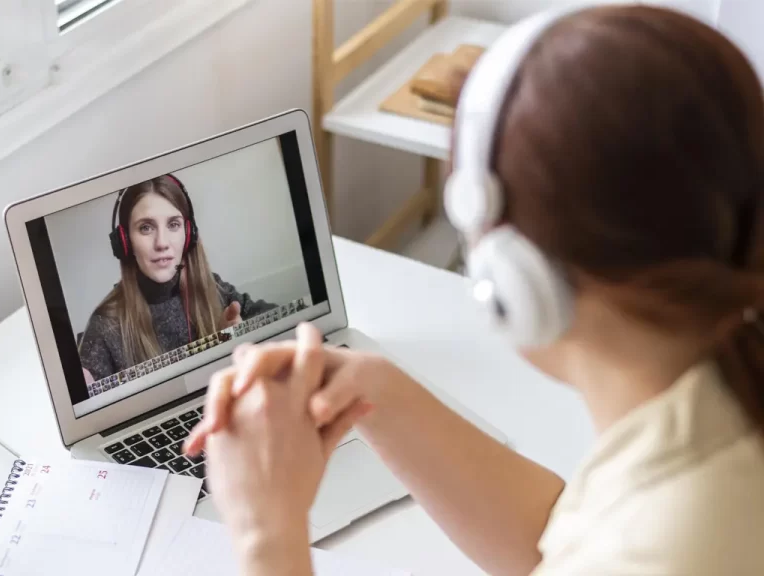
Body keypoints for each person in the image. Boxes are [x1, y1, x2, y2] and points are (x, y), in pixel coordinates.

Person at [186, 5, 764, 576]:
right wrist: (373, 389)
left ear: (517, 275)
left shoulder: (673, 546)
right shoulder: (712, 385)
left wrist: (267, 535)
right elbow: (558, 546)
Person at [78, 174, 277, 382]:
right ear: (125, 242)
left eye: (173, 224)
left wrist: (241, 338)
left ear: (188, 233)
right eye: (146, 228)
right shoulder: (104, 327)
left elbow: (285, 323)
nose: (162, 243)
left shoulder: (213, 287)